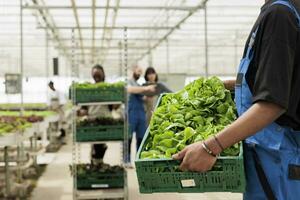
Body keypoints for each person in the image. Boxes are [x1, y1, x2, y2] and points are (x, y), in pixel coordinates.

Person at [173, 0, 300, 199]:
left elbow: (272, 103)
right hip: (266, 156)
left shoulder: (280, 15)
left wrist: (210, 147)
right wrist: (224, 85)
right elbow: (276, 79)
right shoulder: (278, 12)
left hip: (277, 160)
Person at [78, 64, 116, 165]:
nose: (97, 77)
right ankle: (96, 163)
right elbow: (84, 109)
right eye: (95, 75)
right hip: (92, 122)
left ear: (103, 75)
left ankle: (97, 163)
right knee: (96, 145)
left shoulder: (109, 89)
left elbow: (114, 106)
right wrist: (79, 112)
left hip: (106, 121)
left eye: (98, 75)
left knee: (100, 145)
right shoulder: (89, 90)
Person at [125, 66, 156, 165]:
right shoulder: (129, 82)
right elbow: (130, 90)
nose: (139, 73)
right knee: (128, 138)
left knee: (141, 138)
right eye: (138, 71)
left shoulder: (139, 84)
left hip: (141, 113)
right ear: (133, 71)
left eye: (141, 72)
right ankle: (127, 160)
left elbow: (144, 99)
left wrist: (150, 94)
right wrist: (145, 88)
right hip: (131, 113)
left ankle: (139, 159)